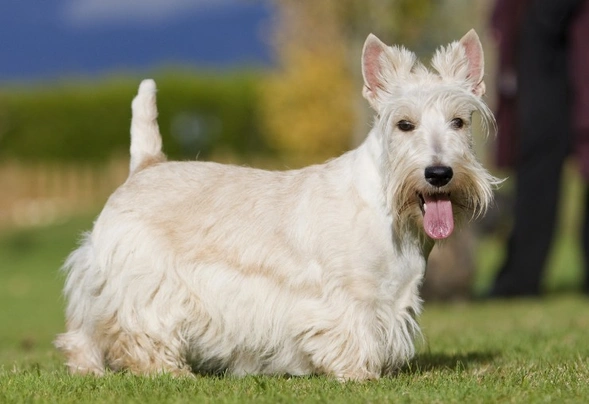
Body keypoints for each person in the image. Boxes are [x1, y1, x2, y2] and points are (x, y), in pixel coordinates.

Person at [489, 0, 589, 297]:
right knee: (536, 147)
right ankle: (520, 276)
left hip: (546, 22)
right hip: (540, 24)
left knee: (539, 146)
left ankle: (519, 277)